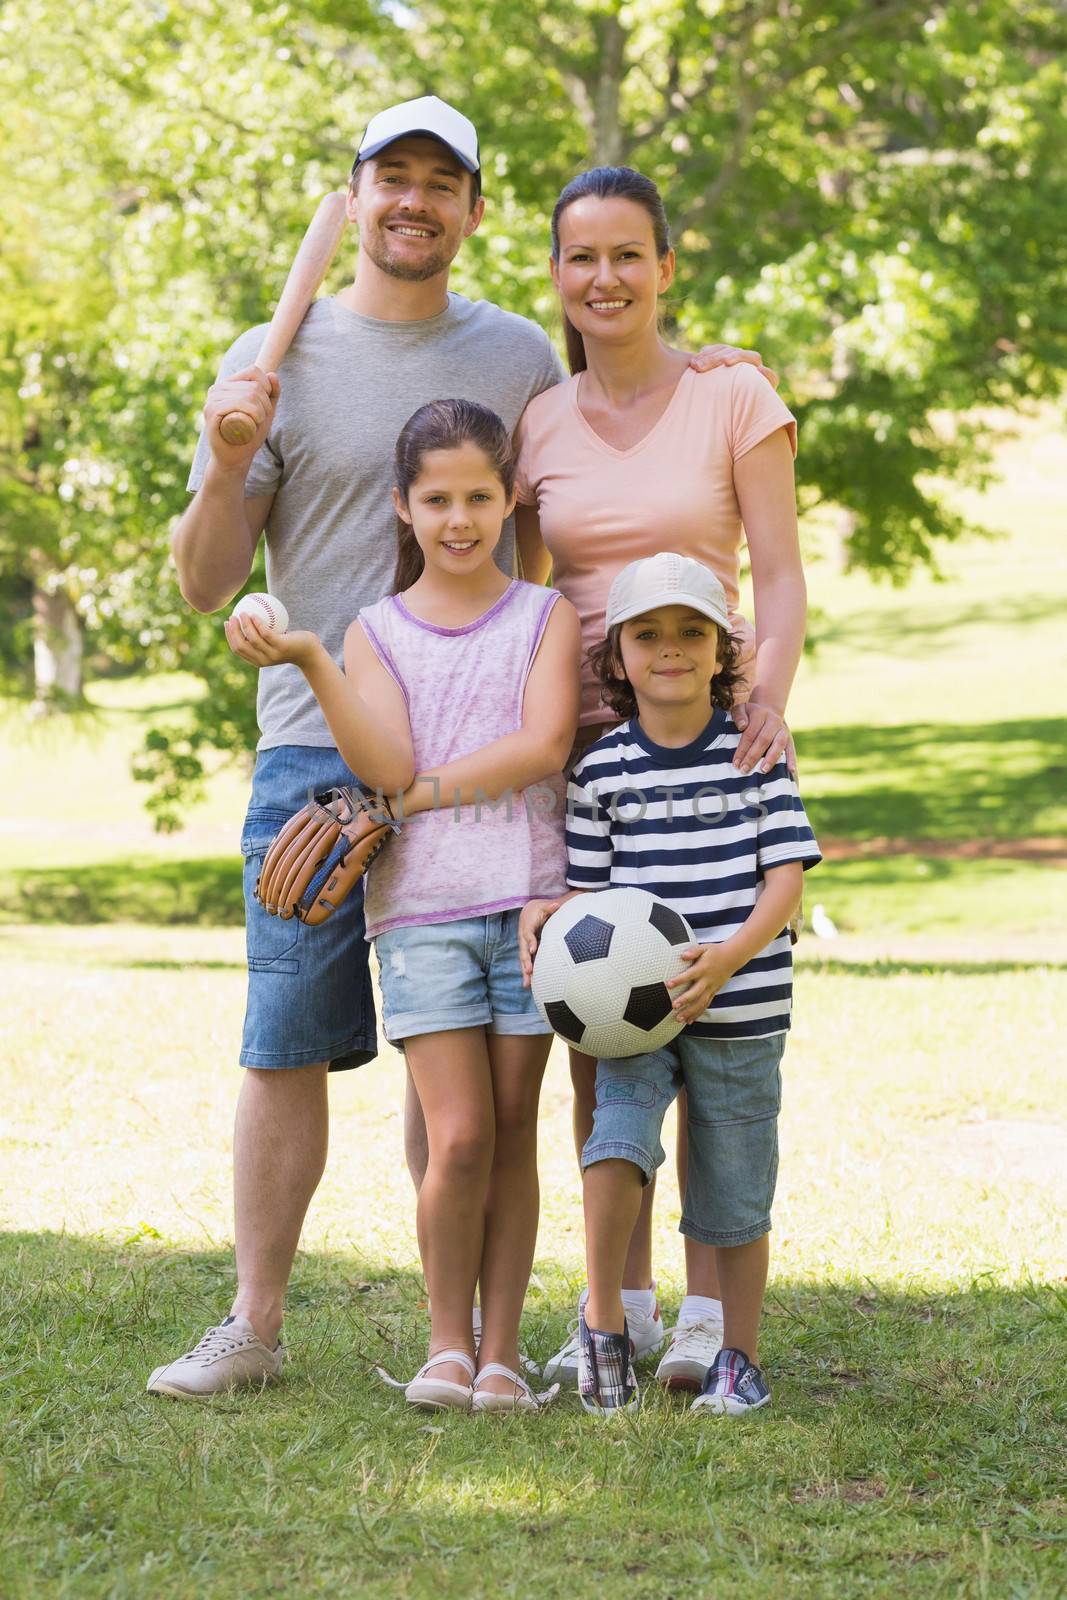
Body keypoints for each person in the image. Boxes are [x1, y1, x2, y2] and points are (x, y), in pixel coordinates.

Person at [150, 89, 771, 1400]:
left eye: (442, 181)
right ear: (357, 193)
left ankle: (472, 1339)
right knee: (283, 1037)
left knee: (465, 1086)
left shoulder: (511, 362)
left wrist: (710, 361)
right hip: (318, 753)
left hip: (492, 775)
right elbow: (204, 586)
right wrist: (223, 465)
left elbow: (605, 428)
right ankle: (254, 1323)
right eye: (391, 176)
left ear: (473, 214)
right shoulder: (272, 356)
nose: (413, 199)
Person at [510, 165, 807, 1391]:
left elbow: (779, 578)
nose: (605, 279)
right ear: (556, 276)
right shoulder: (538, 419)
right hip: (580, 755)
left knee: (718, 1045)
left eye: (628, 254)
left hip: (710, 732)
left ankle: (703, 1318)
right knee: (606, 1032)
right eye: (581, 258)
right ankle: (614, 1306)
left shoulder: (733, 395)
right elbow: (525, 599)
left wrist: (767, 699)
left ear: (666, 265)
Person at [227, 399, 579, 1410]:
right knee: (458, 1133)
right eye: (438, 499)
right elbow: (382, 762)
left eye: (478, 495)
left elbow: (540, 747)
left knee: (513, 1128)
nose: (460, 518)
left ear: (509, 496)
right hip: (418, 913)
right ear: (403, 506)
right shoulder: (373, 633)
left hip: (526, 907)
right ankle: (444, 1346)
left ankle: (501, 1350)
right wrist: (309, 660)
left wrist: (419, 796)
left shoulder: (541, 617)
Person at [519, 552, 820, 1414]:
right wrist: (548, 911)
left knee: (732, 1180)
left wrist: (727, 956)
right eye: (646, 634)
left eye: (692, 632)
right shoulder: (602, 770)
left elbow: (787, 877)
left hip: (744, 1003)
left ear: (723, 647)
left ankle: (738, 1356)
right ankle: (606, 1322)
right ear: (615, 657)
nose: (670, 649)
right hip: (630, 1017)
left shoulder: (754, 752)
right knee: (616, 1142)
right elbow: (591, 894)